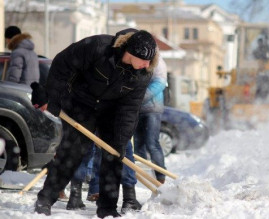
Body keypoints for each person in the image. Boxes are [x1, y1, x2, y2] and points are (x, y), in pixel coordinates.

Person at [31, 28, 158, 218]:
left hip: (112, 110)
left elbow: (130, 108)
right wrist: (52, 97)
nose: (147, 64)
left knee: (113, 156)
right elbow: (62, 65)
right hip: (81, 103)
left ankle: (107, 209)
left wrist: (121, 140)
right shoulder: (98, 47)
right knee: (71, 153)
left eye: (150, 61)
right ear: (130, 52)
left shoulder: (142, 73)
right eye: (144, 60)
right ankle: (45, 200)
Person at [133, 56, 167, 184]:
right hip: (137, 108)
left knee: (152, 143)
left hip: (153, 108)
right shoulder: (137, 59)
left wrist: (139, 97)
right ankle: (141, 175)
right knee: (138, 143)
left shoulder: (158, 62)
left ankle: (160, 175)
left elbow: (160, 83)